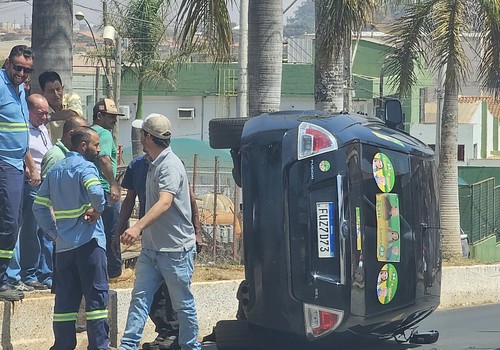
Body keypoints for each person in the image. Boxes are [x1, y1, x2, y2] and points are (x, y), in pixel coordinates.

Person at [119, 114, 200, 350]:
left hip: (175, 251)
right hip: (152, 249)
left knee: (182, 304)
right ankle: (128, 345)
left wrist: (137, 226)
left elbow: (165, 202)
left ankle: (190, 346)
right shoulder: (151, 163)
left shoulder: (169, 165)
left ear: (147, 137)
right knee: (139, 300)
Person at [33, 127, 111, 350]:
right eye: (96, 145)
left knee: (65, 304)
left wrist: (54, 234)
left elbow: (38, 207)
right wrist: (98, 209)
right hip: (89, 244)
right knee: (96, 301)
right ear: (83, 145)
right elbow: (96, 193)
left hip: (64, 249)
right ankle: (98, 346)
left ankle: (62, 346)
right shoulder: (86, 167)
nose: (98, 149)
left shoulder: (55, 170)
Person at [5, 94, 52, 291]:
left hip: (42, 184)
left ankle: (35, 273)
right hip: (26, 183)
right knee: (20, 230)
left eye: (46, 113)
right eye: (40, 113)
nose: (44, 117)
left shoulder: (42, 128)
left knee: (39, 231)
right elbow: (22, 151)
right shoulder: (22, 128)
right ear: (29, 110)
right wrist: (30, 170)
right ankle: (14, 275)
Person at [0, 45, 36, 302]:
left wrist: (31, 165)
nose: (21, 72)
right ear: (7, 63)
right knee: (9, 224)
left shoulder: (20, 92)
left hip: (16, 165)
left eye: (26, 69)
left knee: (12, 225)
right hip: (3, 164)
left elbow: (20, 130)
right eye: (17, 67)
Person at [91, 99, 132, 281]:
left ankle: (99, 270)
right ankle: (114, 271)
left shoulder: (88, 133)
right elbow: (105, 159)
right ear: (99, 116)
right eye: (110, 117)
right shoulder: (104, 135)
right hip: (106, 189)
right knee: (113, 231)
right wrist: (113, 184)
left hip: (92, 189)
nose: (114, 121)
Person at [39, 71, 83, 145]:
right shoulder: (42, 107)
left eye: (58, 89)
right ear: (43, 93)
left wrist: (49, 117)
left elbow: (74, 114)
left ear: (62, 88)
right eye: (51, 91)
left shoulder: (72, 97)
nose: (56, 94)